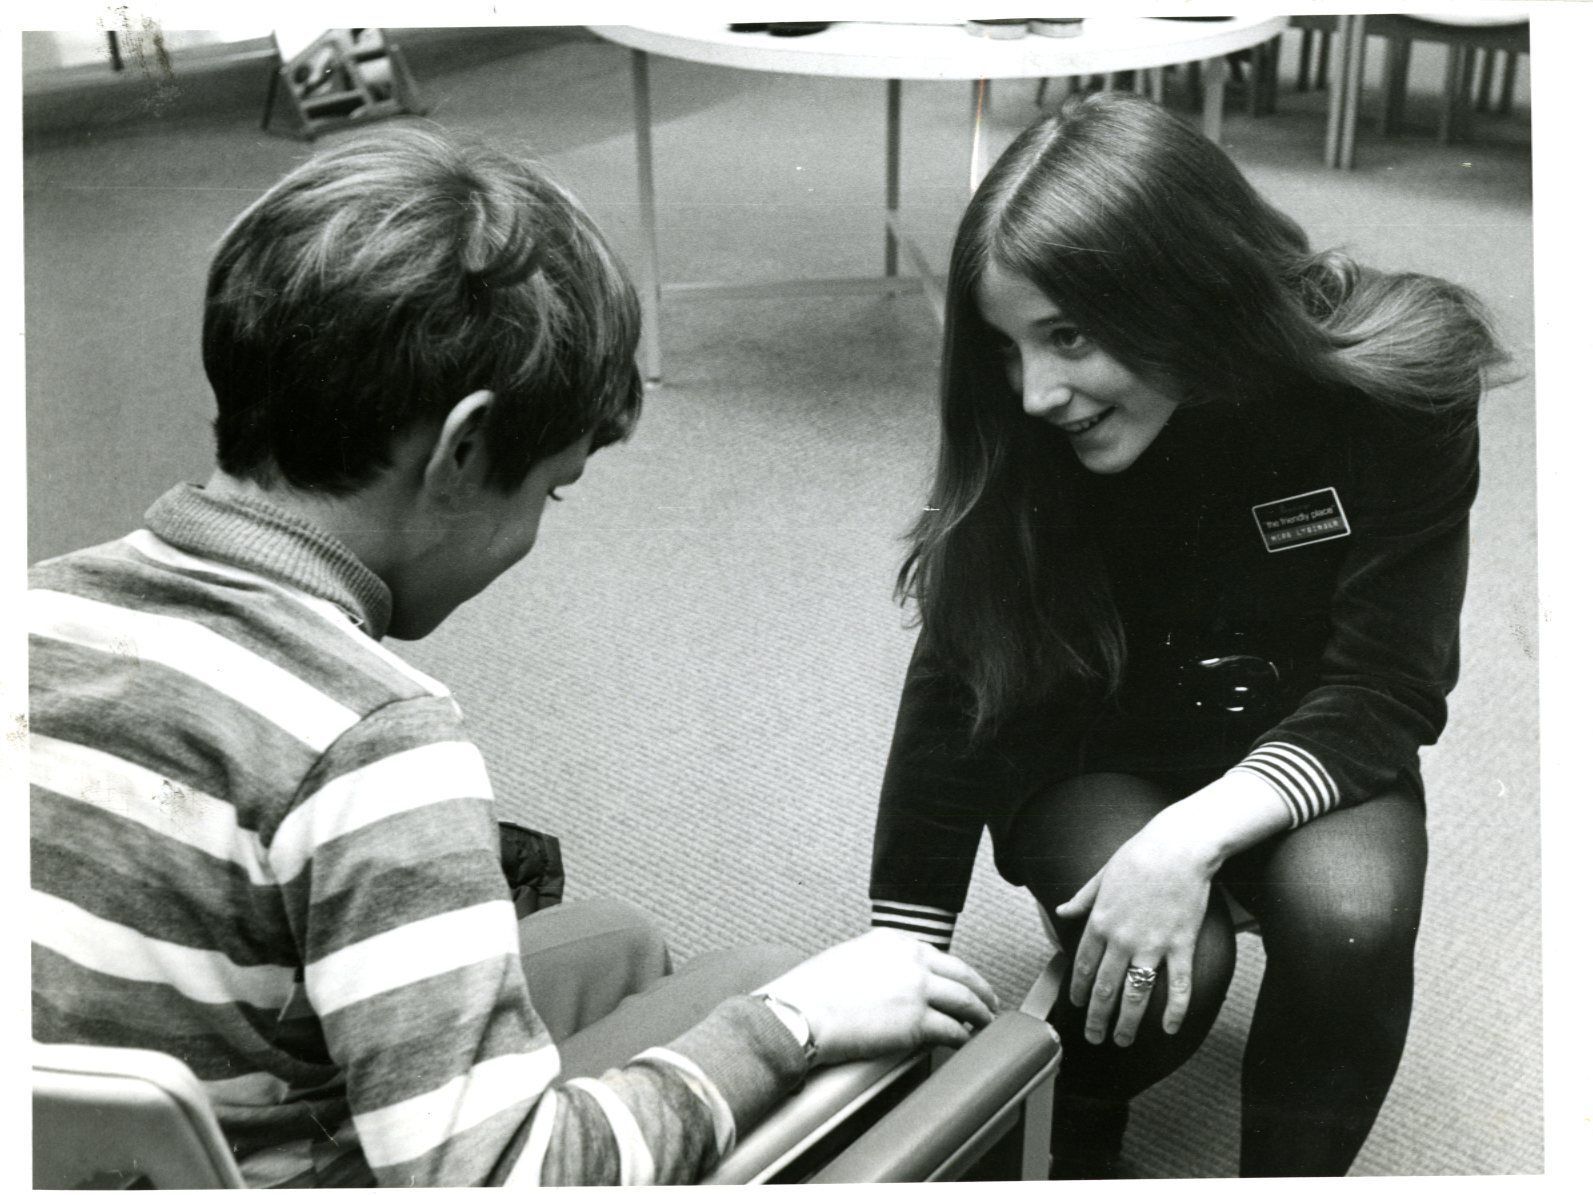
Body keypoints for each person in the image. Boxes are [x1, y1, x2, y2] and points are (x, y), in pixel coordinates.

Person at [28, 125, 998, 1187]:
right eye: (551, 490)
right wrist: (786, 1024)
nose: (538, 527)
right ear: (463, 451)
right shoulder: (370, 746)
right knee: (779, 985)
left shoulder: (37, 604)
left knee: (615, 941)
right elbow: (494, 1180)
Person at [867, 91, 1508, 1179]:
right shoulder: (1033, 421)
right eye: (1010, 346)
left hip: (1310, 729)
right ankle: (1064, 1126)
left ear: (1183, 287)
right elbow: (961, 676)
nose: (1035, 392)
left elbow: (1390, 685)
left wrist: (1185, 840)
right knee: (1167, 975)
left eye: (1067, 334)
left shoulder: (1402, 380)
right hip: (1095, 742)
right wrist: (901, 948)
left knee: (1350, 920)